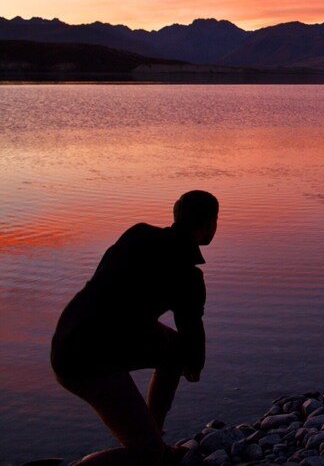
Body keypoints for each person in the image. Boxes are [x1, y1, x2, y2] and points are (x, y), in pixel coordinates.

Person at [51, 191, 219, 465]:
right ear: (211, 224)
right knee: (146, 454)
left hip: (67, 334)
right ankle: (150, 450)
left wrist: (185, 354)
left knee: (175, 351)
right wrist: (195, 364)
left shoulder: (137, 234)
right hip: (84, 361)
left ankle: (154, 438)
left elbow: (109, 291)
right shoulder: (188, 276)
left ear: (176, 215)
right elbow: (191, 329)